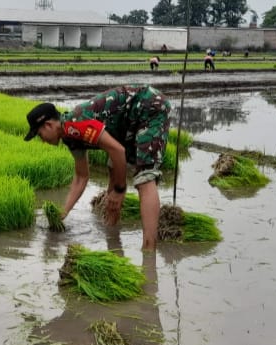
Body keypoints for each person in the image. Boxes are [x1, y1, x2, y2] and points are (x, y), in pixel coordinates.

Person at [24, 85, 171, 251]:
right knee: (112, 167)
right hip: (128, 122)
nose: (42, 140)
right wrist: (63, 212)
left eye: (39, 134)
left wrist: (119, 189)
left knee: (145, 177)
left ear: (49, 125)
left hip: (148, 107)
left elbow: (118, 150)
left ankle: (149, 250)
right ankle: (112, 236)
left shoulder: (77, 125)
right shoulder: (69, 136)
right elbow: (81, 177)